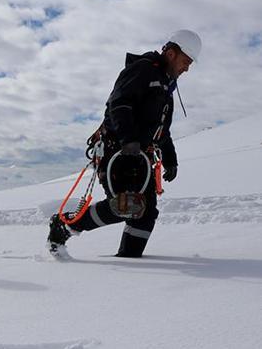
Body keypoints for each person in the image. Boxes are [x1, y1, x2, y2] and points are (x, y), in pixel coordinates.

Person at [48, 30, 201, 258]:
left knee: (145, 212)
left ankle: (131, 262)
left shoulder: (165, 87)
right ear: (171, 53)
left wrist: (170, 159)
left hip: (140, 156)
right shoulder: (143, 69)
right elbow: (119, 104)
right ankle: (65, 225)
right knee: (128, 206)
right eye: (185, 61)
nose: (187, 68)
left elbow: (161, 129)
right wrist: (128, 140)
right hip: (117, 150)